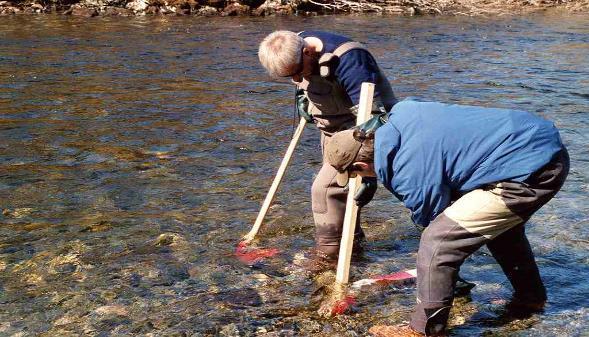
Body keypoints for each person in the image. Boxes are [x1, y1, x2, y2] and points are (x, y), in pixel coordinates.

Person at [324, 98, 569, 336]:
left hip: (530, 172)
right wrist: (373, 177)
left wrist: (440, 271)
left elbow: (432, 216)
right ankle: (531, 299)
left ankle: (424, 331)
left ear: (360, 165)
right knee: (500, 230)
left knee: (437, 242)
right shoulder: (402, 113)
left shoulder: (407, 170)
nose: (360, 179)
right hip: (535, 144)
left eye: (356, 174)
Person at [258, 30, 397, 260]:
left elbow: (375, 121)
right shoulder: (296, 45)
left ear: (308, 52)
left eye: (295, 73)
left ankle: (327, 257)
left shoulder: (351, 61)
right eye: (287, 77)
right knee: (344, 198)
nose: (294, 79)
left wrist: (369, 171)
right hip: (329, 129)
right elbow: (302, 81)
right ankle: (354, 250)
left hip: (362, 129)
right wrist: (303, 96)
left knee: (324, 190)